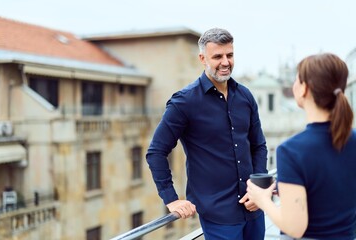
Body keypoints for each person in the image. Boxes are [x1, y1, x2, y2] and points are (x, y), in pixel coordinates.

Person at [146, 27, 268, 240]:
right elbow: (156, 152)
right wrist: (171, 199)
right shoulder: (184, 102)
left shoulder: (245, 96)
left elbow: (259, 146)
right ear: (202, 58)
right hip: (219, 217)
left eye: (229, 55)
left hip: (255, 210)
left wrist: (258, 189)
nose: (225, 62)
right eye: (217, 56)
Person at [246, 53, 356, 239]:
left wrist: (262, 199)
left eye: (297, 79)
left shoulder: (292, 150)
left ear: (304, 88)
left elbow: (294, 227)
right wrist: (288, 187)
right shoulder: (352, 138)